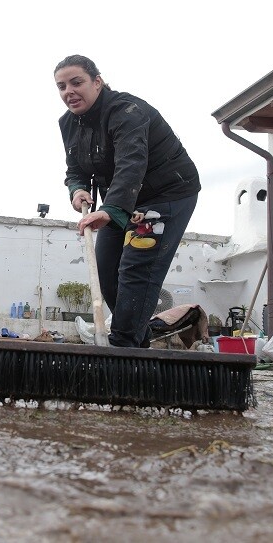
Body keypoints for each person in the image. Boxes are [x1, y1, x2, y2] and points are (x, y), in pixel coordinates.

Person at [54, 54, 200, 348]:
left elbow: (132, 163)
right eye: (61, 86)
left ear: (97, 82)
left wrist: (110, 210)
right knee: (107, 269)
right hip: (121, 202)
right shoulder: (69, 123)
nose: (68, 91)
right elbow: (75, 167)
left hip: (166, 195)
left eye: (76, 82)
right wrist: (78, 188)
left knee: (137, 268)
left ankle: (123, 347)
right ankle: (138, 342)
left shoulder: (126, 111)